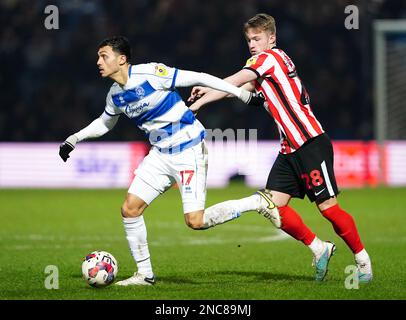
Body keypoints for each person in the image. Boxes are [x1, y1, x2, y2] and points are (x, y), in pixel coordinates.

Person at [59, 36, 280, 286]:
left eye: (104, 56)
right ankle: (145, 274)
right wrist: (74, 138)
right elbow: (105, 123)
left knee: (195, 221)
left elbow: (199, 77)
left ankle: (255, 202)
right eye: (99, 56)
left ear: (122, 59)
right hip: (160, 155)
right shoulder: (115, 96)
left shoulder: (152, 73)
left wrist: (242, 94)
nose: (99, 61)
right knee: (130, 209)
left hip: (189, 150)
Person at [188, 13, 372, 283]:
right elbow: (238, 89)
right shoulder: (266, 66)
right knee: (275, 206)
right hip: (289, 149)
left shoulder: (268, 59)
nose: (252, 44)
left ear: (271, 38)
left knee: (328, 208)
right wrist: (204, 99)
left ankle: (363, 262)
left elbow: (238, 79)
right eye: (249, 39)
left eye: (257, 38)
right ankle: (319, 248)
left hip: (310, 142)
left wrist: (203, 90)